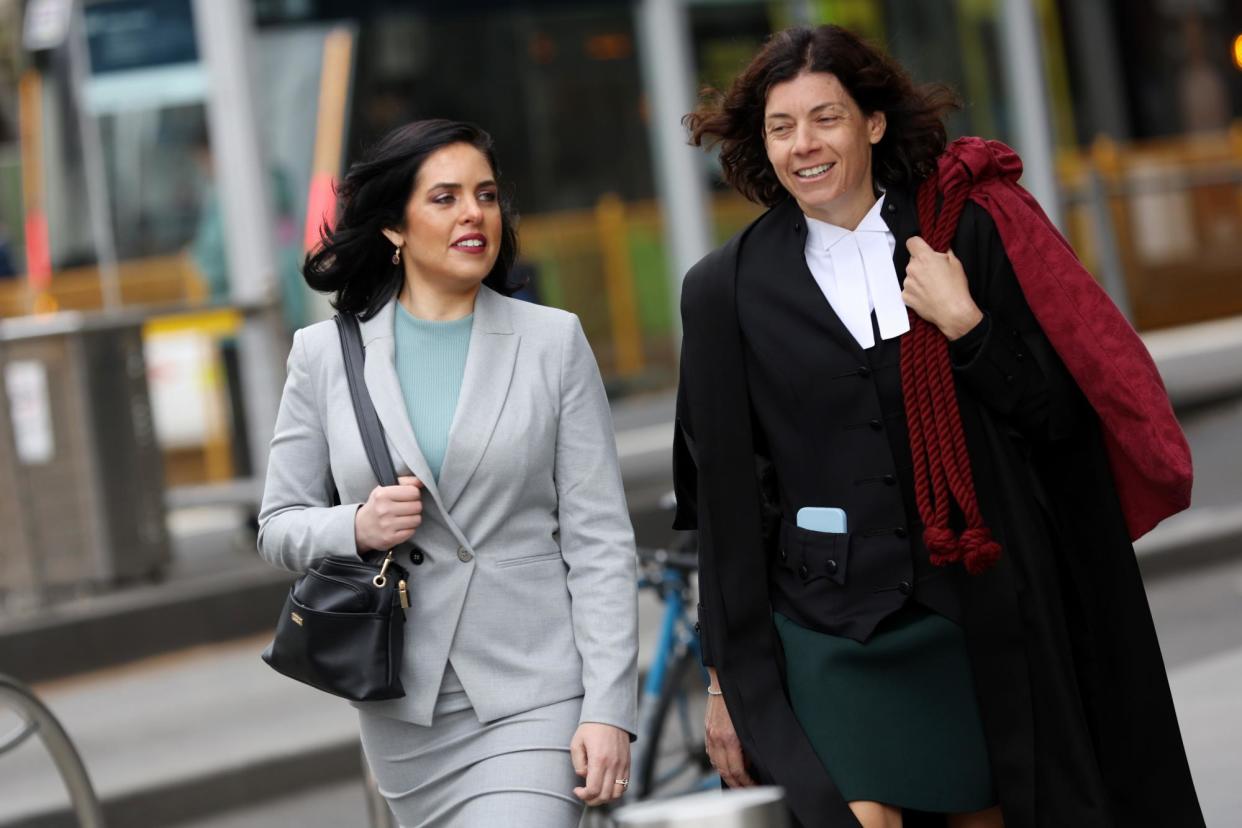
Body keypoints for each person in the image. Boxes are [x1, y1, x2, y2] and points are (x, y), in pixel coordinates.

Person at [673, 25, 1204, 828]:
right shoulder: (724, 290)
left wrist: (970, 328)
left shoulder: (964, 234)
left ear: (873, 124)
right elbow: (727, 504)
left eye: (827, 118)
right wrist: (724, 681)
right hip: (827, 621)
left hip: (973, 606)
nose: (804, 146)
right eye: (781, 128)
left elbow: (1059, 422)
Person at [257, 119, 638, 827]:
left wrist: (610, 707)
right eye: (445, 197)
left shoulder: (552, 343)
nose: (474, 213)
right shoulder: (324, 355)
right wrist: (357, 525)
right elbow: (277, 526)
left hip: (536, 690)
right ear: (393, 229)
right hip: (405, 710)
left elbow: (600, 543)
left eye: (486, 195)